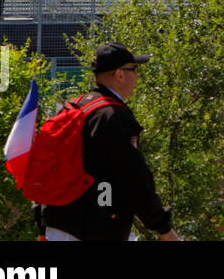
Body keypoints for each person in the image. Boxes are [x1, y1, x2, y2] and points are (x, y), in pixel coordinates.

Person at [39, 43, 179, 241]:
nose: (137, 77)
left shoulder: (75, 107)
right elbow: (134, 176)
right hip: (93, 228)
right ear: (120, 75)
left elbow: (49, 165)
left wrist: (42, 222)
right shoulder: (112, 115)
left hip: (58, 223)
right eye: (134, 70)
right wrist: (163, 227)